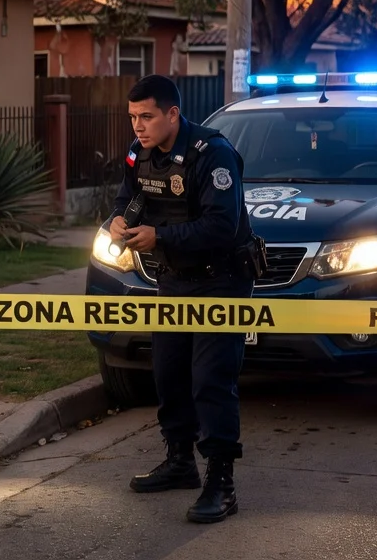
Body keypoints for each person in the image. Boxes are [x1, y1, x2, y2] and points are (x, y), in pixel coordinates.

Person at [106, 74, 262, 524]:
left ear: (173, 114)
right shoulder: (140, 154)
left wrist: (159, 238)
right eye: (133, 117)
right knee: (169, 372)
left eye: (147, 117)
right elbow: (124, 199)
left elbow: (220, 225)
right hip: (173, 279)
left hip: (222, 279)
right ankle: (180, 462)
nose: (138, 126)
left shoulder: (212, 154)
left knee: (211, 378)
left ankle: (221, 480)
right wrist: (117, 221)